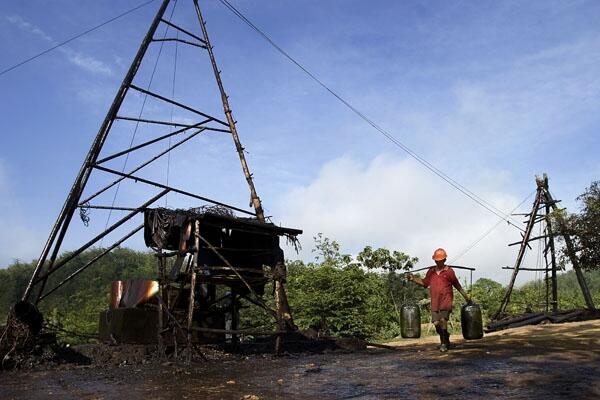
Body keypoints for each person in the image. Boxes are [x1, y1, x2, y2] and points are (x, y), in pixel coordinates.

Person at [407, 248, 471, 352]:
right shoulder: (431, 271)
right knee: (436, 323)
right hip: (435, 302)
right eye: (436, 260)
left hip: (446, 300)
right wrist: (413, 279)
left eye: (439, 260)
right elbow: (424, 283)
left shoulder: (449, 272)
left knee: (443, 320)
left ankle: (443, 343)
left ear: (444, 260)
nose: (437, 262)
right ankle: (445, 335)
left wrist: (467, 298)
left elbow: (458, 286)